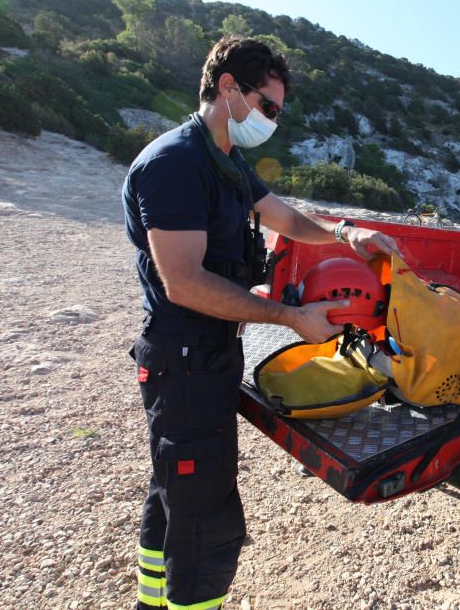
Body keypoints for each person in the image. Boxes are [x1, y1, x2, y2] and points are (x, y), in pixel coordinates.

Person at [122, 36, 400, 610]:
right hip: (184, 357)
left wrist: (349, 233)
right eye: (267, 107)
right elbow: (186, 282)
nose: (272, 120)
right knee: (206, 519)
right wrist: (290, 317)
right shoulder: (175, 163)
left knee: (175, 493)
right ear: (228, 88)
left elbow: (284, 217)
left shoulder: (225, 160)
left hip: (207, 353)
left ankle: (153, 600)